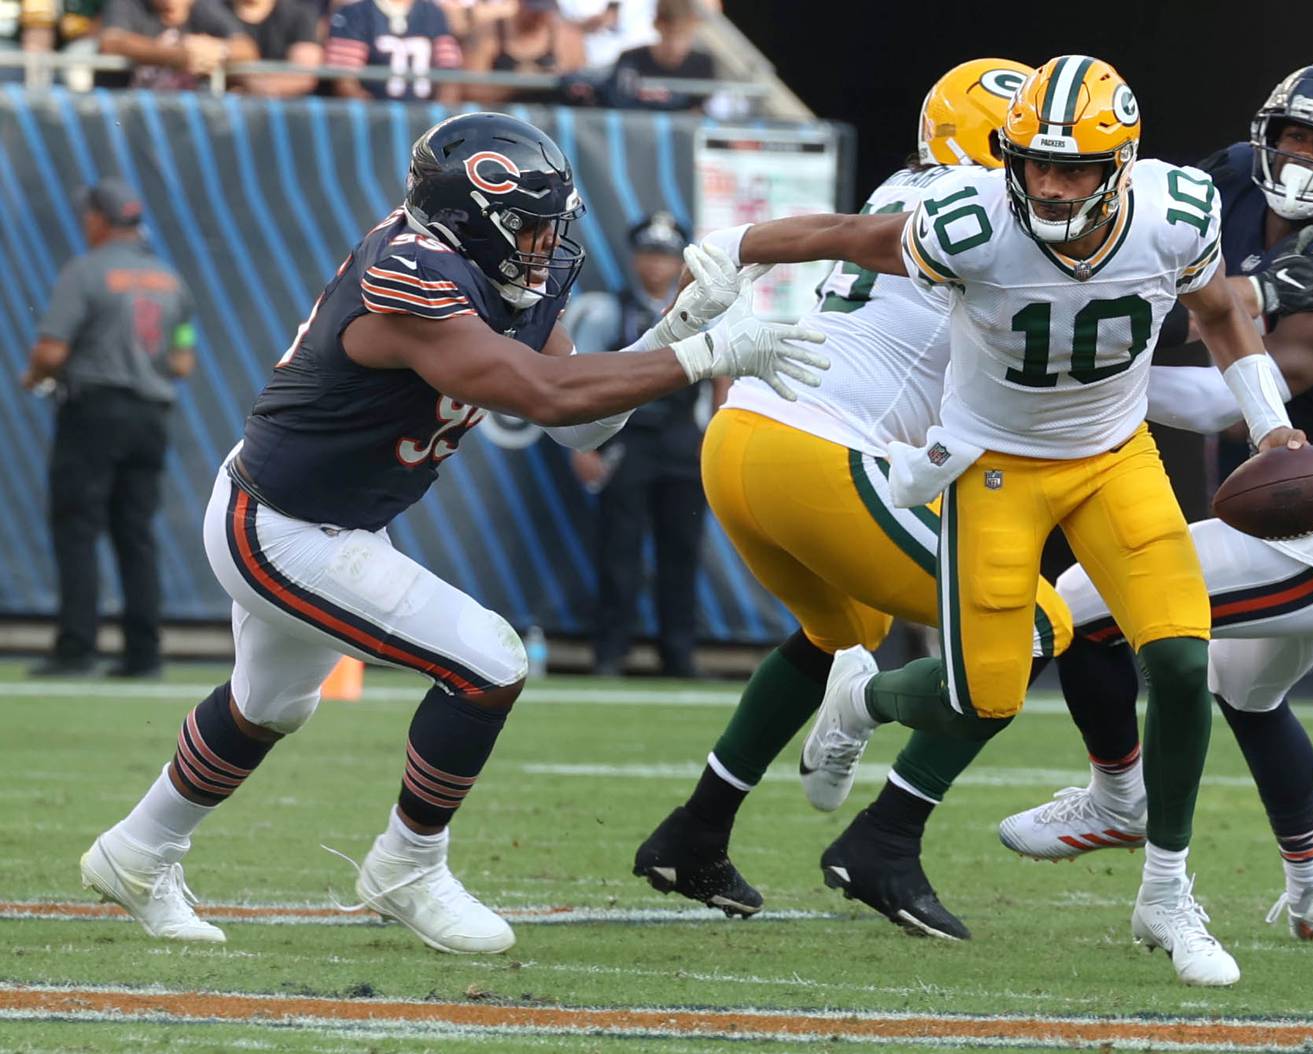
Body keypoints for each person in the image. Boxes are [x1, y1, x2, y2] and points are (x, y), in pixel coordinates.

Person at [77, 112, 826, 954]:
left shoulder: (509, 270)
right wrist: (707, 355)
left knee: (268, 706)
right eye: (528, 226)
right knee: (488, 662)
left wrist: (681, 328)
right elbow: (542, 394)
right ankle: (408, 864)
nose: (545, 245)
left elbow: (582, 426)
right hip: (279, 523)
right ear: (469, 217)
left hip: (332, 516)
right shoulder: (410, 271)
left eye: (552, 225)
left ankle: (136, 853)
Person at [704, 54, 1310, 987]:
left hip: (1114, 460)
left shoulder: (1175, 209)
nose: (1053, 185)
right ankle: (861, 698)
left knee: (1184, 661)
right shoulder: (971, 221)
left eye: (1074, 168)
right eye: (1035, 163)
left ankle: (1167, 892)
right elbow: (851, 234)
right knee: (981, 697)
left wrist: (1270, 424)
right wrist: (741, 246)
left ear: (1122, 165)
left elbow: (1222, 307)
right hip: (996, 469)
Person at [632, 58, 1079, 936]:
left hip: (743, 438)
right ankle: (885, 833)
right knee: (1035, 628)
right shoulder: (992, 222)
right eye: (1033, 152)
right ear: (994, 146)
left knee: (844, 631)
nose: (1053, 176)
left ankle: (695, 832)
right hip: (820, 457)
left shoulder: (905, 186)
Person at [998, 62, 1313, 947]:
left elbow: (1240, 397)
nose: (1303, 157)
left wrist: (1080, 378)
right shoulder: (1215, 183)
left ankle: (1116, 799)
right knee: (1247, 697)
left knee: (1079, 609)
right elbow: (1137, 231)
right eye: (1294, 136)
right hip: (1300, 524)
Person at [23, 181, 196, 679]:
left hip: (94, 412)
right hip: (150, 417)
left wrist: (34, 377)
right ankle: (144, 653)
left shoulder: (85, 273)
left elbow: (51, 352)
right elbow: (183, 359)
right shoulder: (170, 281)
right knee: (135, 532)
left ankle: (76, 647)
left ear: (99, 220)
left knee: (78, 528)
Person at [567, 212, 717, 678]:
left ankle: (680, 655)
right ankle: (610, 652)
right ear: (635, 258)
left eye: (667, 255)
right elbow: (582, 374)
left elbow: (723, 369)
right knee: (620, 548)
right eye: (649, 254)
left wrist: (715, 432)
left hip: (680, 437)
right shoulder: (610, 311)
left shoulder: (700, 307)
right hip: (624, 437)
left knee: (682, 548)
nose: (657, 265)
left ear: (680, 262)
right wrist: (580, 446)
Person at [99, 0, 258, 89]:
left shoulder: (205, 7)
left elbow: (246, 48)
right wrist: (172, 55)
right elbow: (111, 42)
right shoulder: (129, 5)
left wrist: (218, 50)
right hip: (133, 119)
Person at [325, 0, 461, 101]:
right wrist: (375, 116)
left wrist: (438, 116)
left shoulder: (433, 12)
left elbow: (449, 74)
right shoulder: (355, 12)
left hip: (423, 115)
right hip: (374, 118)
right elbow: (345, 80)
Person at [603, 0, 713, 112]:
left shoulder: (702, 64)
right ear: (657, 25)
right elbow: (617, 105)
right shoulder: (630, 60)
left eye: (684, 35)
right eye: (670, 34)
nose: (676, 45)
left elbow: (705, 110)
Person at [226, 0, 320, 96]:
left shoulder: (299, 14)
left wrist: (249, 83)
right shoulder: (216, 10)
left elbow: (304, 75)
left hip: (283, 106)